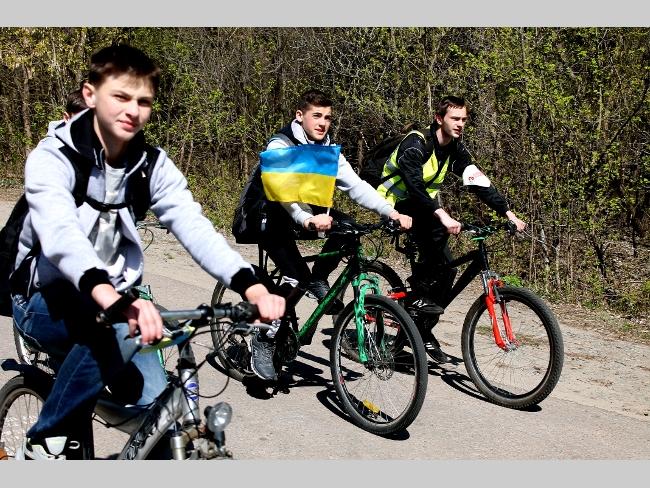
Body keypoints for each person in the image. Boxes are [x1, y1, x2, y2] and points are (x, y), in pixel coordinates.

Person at [11, 44, 285, 460]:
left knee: (158, 412)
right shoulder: (54, 157)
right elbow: (61, 236)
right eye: (121, 96)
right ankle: (43, 441)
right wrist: (114, 300)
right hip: (45, 299)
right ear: (90, 95)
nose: (133, 111)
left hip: (118, 307)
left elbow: (194, 226)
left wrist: (253, 286)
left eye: (144, 102)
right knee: (116, 332)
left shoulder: (150, 164)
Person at [247, 89, 412, 381]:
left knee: (347, 228)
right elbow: (283, 193)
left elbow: (356, 186)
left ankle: (319, 278)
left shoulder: (328, 150)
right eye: (317, 116)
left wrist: (390, 211)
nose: (323, 123)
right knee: (295, 276)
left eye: (328, 118)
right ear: (300, 116)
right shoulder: (281, 144)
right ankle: (263, 336)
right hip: (268, 215)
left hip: (306, 215)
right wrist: (306, 219)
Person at [375, 95, 526, 362]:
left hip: (424, 208)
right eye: (455, 118)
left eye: (464, 119)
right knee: (431, 260)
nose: (460, 124)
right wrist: (443, 215)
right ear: (439, 119)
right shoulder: (416, 143)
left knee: (447, 270)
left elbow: (478, 182)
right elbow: (414, 186)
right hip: (394, 206)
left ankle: (421, 328)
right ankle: (414, 314)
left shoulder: (455, 148)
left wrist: (508, 213)